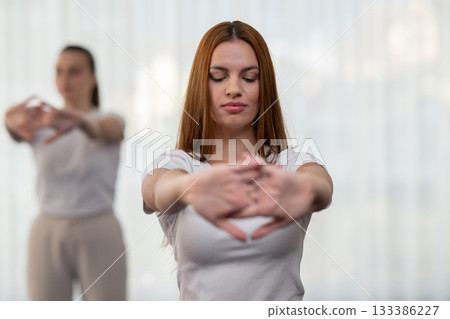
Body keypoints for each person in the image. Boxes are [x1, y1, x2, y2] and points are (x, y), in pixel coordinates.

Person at [141, 21, 333, 301]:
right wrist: (191, 186)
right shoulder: (178, 163)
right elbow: (157, 190)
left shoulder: (290, 164)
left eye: (249, 77)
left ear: (263, 87)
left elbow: (320, 185)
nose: (233, 89)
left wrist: (305, 188)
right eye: (219, 76)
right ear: (201, 86)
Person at [4, 45, 126, 300]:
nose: (65, 79)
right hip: (48, 230)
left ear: (93, 78)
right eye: (59, 71)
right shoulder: (40, 124)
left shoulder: (110, 118)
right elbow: (16, 131)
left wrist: (78, 121)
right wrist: (9, 120)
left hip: (99, 229)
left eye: (74, 71)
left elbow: (106, 129)